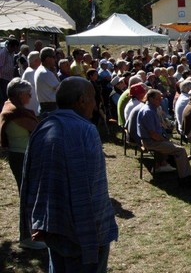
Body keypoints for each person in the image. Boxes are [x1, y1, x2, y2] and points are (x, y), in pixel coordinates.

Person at [20, 77, 118, 270]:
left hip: (54, 225)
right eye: (93, 98)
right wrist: (95, 235)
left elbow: (30, 180)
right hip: (83, 233)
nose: (95, 103)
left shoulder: (43, 127)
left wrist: (36, 221)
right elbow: (93, 189)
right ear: (82, 100)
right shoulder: (86, 130)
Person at [0, 78, 42, 249]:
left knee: (31, 195)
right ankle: (27, 237)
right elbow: (38, 129)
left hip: (22, 155)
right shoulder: (16, 112)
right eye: (28, 94)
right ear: (20, 95)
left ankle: (33, 233)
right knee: (28, 197)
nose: (31, 96)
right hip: (21, 156)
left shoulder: (11, 107)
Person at [137, 89, 191, 186]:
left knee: (177, 147)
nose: (161, 101)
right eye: (158, 99)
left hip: (154, 139)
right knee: (180, 150)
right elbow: (153, 134)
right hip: (151, 142)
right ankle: (185, 178)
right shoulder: (148, 112)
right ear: (151, 99)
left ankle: (181, 170)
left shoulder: (151, 109)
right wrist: (165, 141)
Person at [34, 47, 60, 116]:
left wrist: (54, 72)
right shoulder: (45, 73)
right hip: (50, 107)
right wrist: (55, 74)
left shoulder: (41, 70)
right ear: (48, 59)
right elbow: (60, 89)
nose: (56, 59)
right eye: (54, 57)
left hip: (45, 106)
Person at [0, 38, 20, 108]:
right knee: (4, 97)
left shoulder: (12, 53)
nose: (16, 49)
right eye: (16, 47)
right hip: (3, 78)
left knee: (7, 96)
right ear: (13, 46)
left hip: (8, 78)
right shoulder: (3, 53)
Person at [21, 51, 41, 115]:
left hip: (34, 109)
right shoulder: (30, 72)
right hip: (33, 109)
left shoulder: (32, 71)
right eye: (40, 60)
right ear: (36, 61)